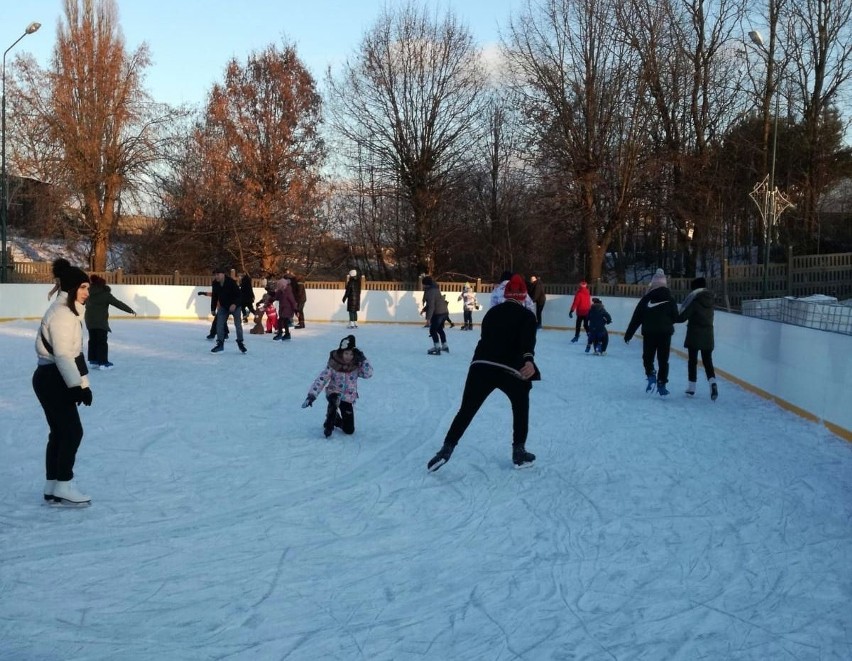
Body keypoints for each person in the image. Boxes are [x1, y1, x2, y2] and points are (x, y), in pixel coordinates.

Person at [427, 274, 540, 472]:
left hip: (481, 364)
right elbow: (527, 342)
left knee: (467, 409)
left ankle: (446, 448)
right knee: (520, 405)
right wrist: (529, 359)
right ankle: (519, 451)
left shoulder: (492, 313)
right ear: (524, 296)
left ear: (505, 294)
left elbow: (487, 338)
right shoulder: (527, 316)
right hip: (511, 369)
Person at [33, 259, 94, 506]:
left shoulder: (70, 313)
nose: (87, 293)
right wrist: (75, 386)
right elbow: (62, 355)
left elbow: (77, 354)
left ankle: (53, 485)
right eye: (83, 287)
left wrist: (85, 385)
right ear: (70, 289)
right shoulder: (61, 315)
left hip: (55, 377)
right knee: (71, 432)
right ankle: (64, 484)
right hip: (52, 378)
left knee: (60, 432)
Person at [302, 335, 374, 437]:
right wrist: (311, 396)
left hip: (348, 398)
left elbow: (368, 374)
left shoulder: (356, 366)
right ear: (341, 352)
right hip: (334, 393)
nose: (348, 356)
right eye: (346, 353)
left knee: (349, 430)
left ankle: (336, 419)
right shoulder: (333, 365)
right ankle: (329, 423)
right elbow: (321, 380)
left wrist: (363, 359)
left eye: (351, 354)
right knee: (334, 399)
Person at [623, 268, 679, 396]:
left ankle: (651, 374)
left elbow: (636, 317)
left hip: (649, 333)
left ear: (652, 284)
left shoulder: (647, 298)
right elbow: (675, 317)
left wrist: (629, 334)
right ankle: (662, 383)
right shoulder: (670, 299)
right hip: (665, 333)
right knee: (663, 359)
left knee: (648, 357)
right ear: (665, 284)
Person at [678, 277, 719, 401]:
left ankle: (692, 388)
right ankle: (712, 383)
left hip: (695, 334)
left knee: (692, 361)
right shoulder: (711, 301)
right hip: (708, 335)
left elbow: (683, 316)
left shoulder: (695, 301)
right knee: (707, 361)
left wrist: (671, 317)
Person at [84, 274, 135, 369]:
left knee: (93, 340)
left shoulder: (88, 292)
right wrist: (130, 310)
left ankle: (93, 359)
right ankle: (103, 362)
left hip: (89, 321)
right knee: (102, 341)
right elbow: (118, 303)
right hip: (100, 321)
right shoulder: (105, 294)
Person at [211, 267, 246, 353]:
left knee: (238, 324)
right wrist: (213, 308)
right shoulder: (215, 283)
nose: (216, 276)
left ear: (223, 274)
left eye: (218, 274)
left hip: (235, 306)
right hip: (223, 306)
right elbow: (215, 296)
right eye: (215, 275)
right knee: (219, 324)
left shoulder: (231, 282)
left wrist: (234, 304)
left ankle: (240, 342)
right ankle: (220, 344)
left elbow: (239, 295)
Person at [421, 276, 449, 354]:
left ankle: (437, 347)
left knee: (432, 330)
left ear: (426, 284)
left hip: (438, 313)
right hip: (444, 312)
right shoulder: (435, 289)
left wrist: (428, 319)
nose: (422, 285)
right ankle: (445, 346)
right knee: (439, 329)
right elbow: (433, 303)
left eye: (423, 284)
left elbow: (432, 306)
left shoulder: (430, 292)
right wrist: (424, 309)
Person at [198, 272, 230, 341]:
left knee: (217, 322)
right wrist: (204, 293)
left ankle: (213, 334)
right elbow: (213, 294)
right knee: (221, 321)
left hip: (225, 308)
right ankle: (225, 334)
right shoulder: (218, 290)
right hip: (221, 309)